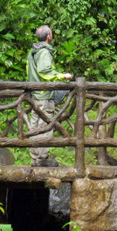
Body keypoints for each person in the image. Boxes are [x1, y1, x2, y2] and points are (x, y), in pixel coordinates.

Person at [26, 25, 73, 167]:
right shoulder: (44, 52)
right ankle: (41, 159)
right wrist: (63, 76)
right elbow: (44, 71)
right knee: (46, 126)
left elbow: (30, 72)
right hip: (44, 95)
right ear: (48, 37)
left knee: (35, 127)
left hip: (35, 94)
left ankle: (35, 158)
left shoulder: (32, 51)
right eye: (51, 33)